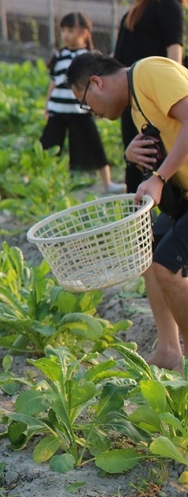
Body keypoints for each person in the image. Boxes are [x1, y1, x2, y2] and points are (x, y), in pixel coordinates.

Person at [66, 52, 188, 372]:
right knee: (148, 250)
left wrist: (160, 178)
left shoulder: (149, 72)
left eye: (85, 102)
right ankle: (169, 351)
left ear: (97, 82)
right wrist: (135, 156)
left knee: (166, 266)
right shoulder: (136, 107)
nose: (91, 112)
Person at [114, 0, 188, 195]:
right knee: (137, 162)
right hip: (136, 98)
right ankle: (144, 228)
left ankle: (160, 226)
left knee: (156, 164)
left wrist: (173, 96)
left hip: (155, 100)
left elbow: (174, 50)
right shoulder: (145, 0)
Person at [40, 12, 123, 194]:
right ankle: (38, 182)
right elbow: (53, 82)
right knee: (46, 147)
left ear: (85, 33)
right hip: (58, 110)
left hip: (81, 111)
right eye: (63, 31)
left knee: (95, 145)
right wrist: (47, 106)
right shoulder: (60, 55)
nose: (66, 35)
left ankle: (108, 183)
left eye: (70, 30)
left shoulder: (90, 57)